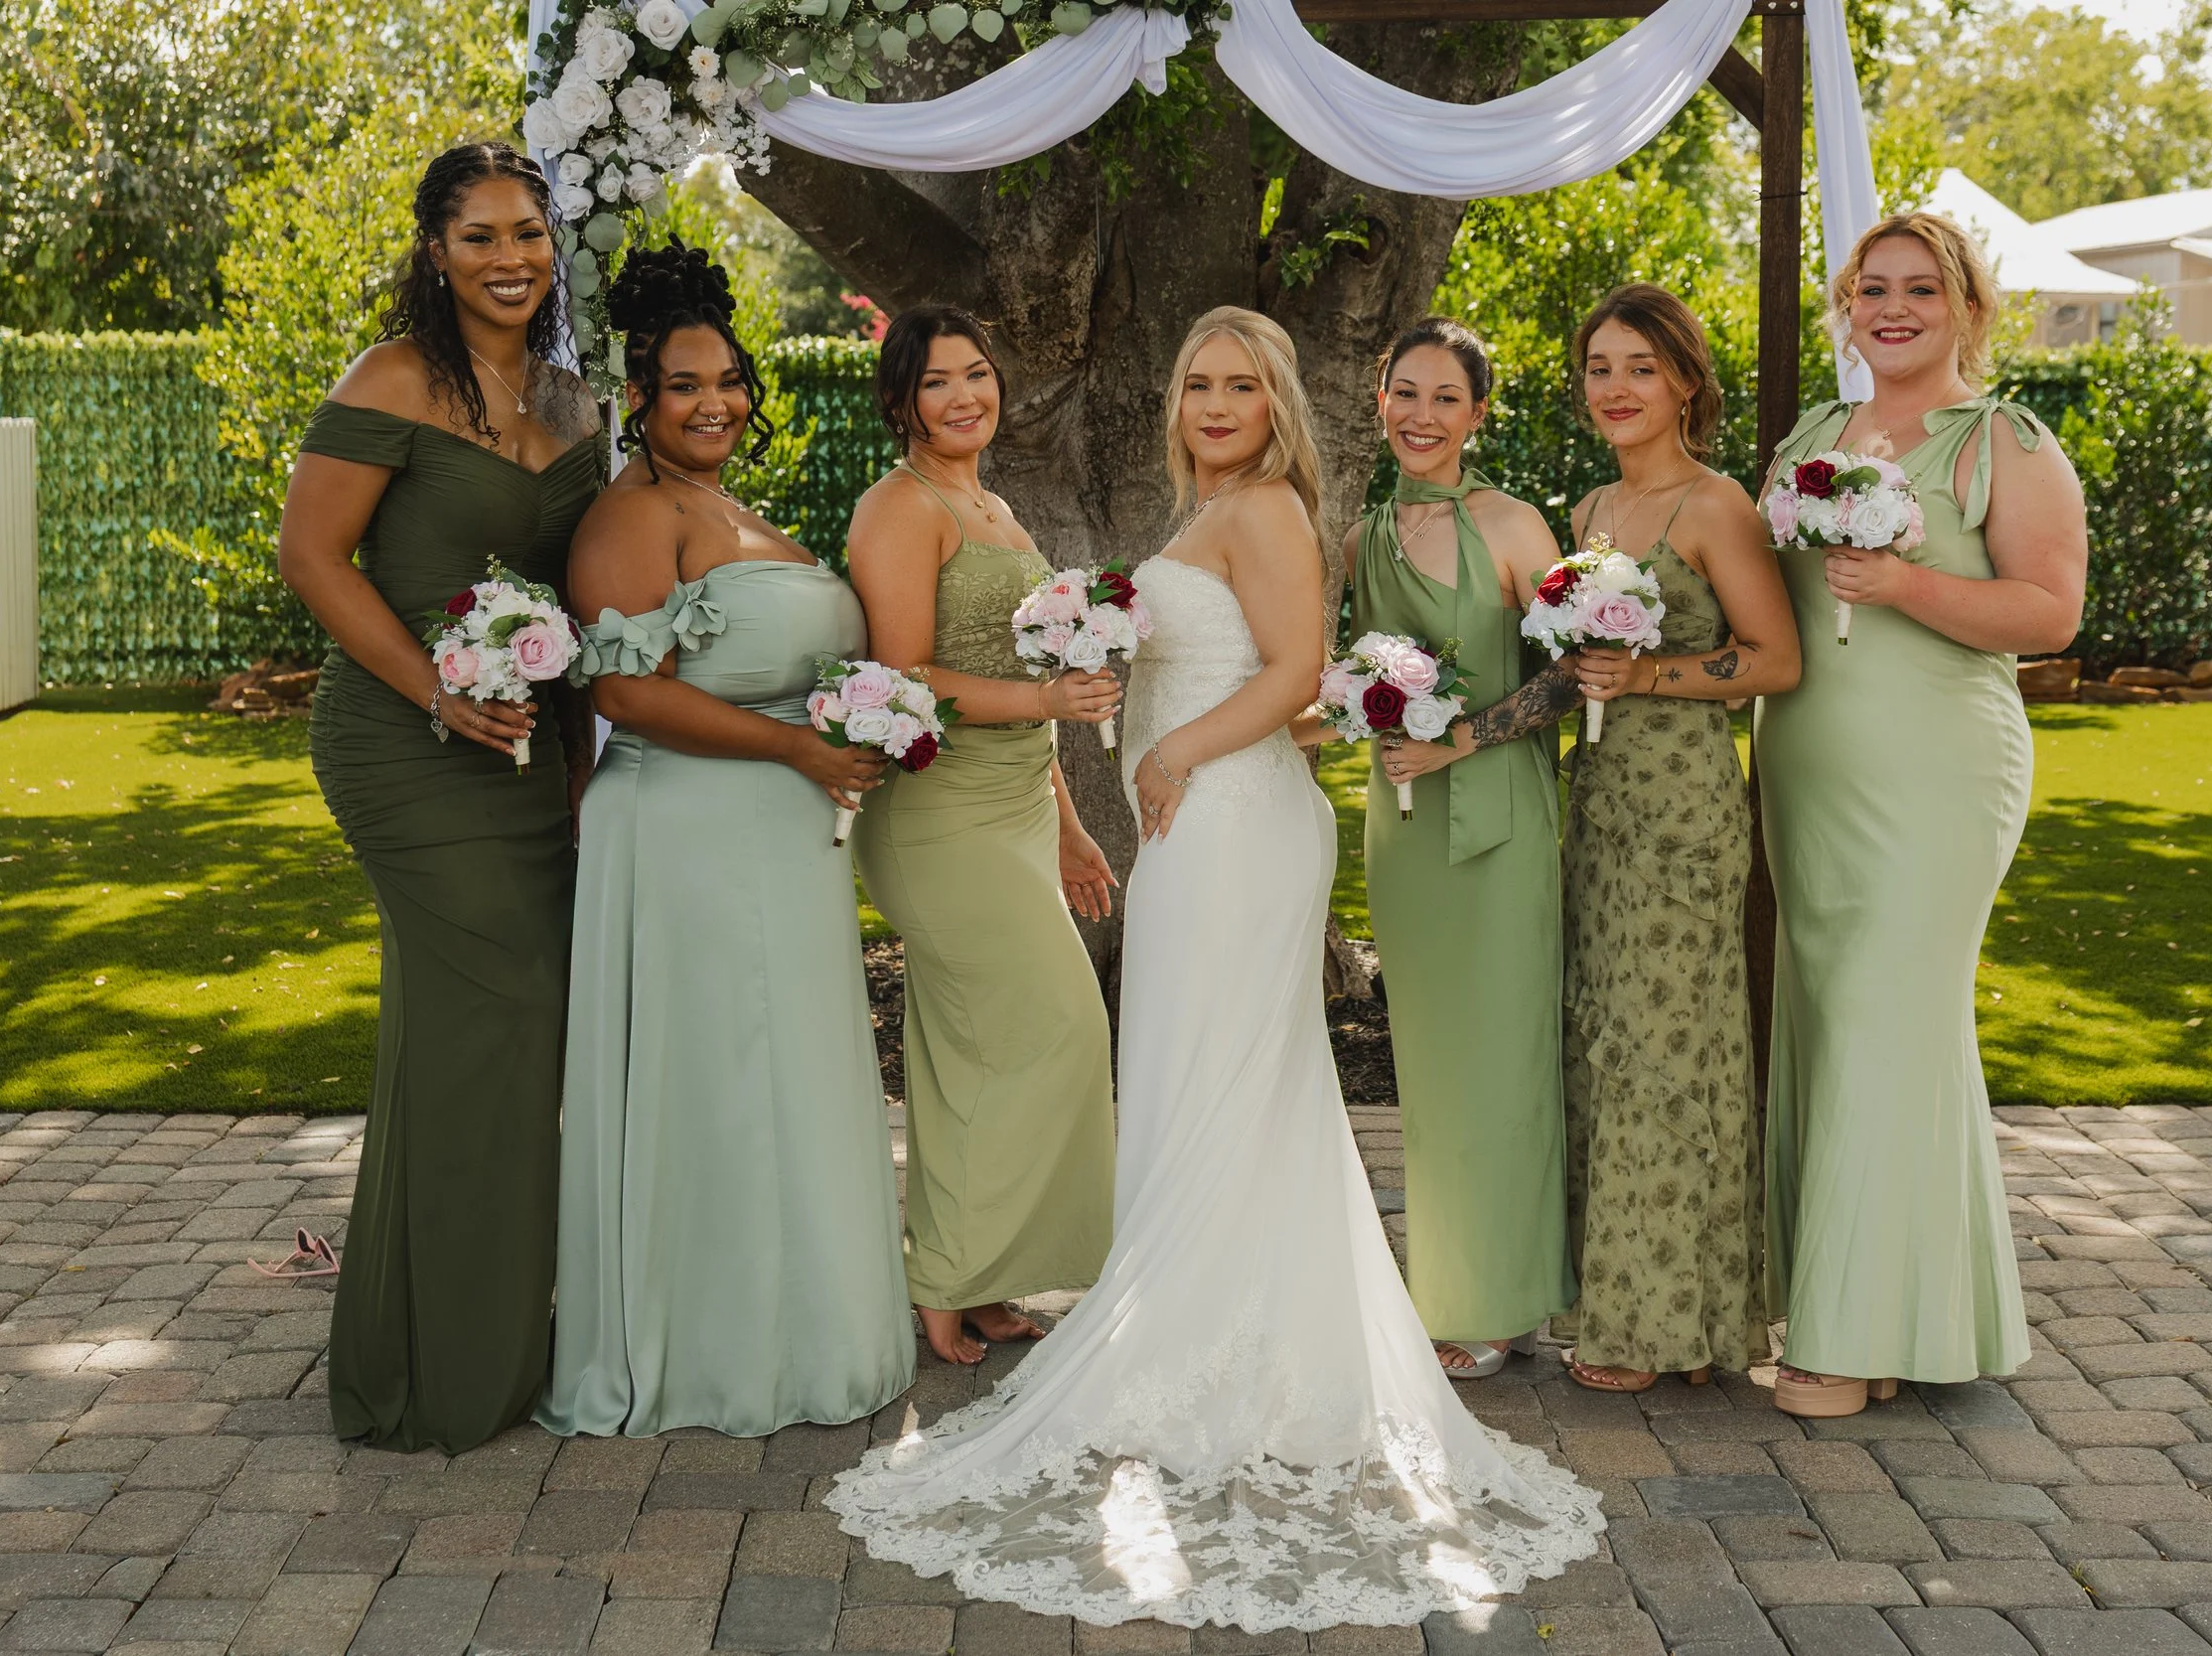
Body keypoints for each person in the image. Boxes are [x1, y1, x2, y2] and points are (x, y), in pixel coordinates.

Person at [823, 307, 1604, 1633]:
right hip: (1192, 827)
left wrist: (1176, 752)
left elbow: (1296, 668)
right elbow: (1273, 676)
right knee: (1188, 1072)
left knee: (1232, 1072)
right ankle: (1188, 1322)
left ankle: (1229, 1343)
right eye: (1198, 380)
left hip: (1232, 822)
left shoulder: (1270, 511)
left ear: (1277, 401)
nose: (1217, 400)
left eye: (1243, 383)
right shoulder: (1207, 514)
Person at [534, 241, 913, 1438]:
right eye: (686, 385)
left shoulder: (728, 506)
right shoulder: (629, 515)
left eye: (730, 381)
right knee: (717, 1081)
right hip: (687, 830)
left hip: (781, 841)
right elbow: (625, 695)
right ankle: (712, 1345)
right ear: (638, 400)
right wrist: (801, 747)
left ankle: (807, 1326)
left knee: (786, 1076)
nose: (717, 403)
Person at [276, 142, 600, 1452]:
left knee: (498, 1031)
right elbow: (312, 552)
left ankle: (452, 1332)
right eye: (480, 236)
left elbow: (581, 588)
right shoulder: (393, 378)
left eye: (528, 232)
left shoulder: (577, 406)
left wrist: (588, 760)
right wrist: (435, 691)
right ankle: (452, 1366)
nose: (510, 256)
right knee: (502, 1011)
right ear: (435, 251)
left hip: (533, 754)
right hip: (404, 746)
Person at [1759, 214, 2087, 1418]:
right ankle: (1893, 1309)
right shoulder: (1814, 433)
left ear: (1965, 307)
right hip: (1808, 772)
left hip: (1939, 771)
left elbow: (2050, 613)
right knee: (1839, 1023)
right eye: (1871, 290)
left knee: (1889, 1021)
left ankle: (1847, 1336)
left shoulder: (2006, 439)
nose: (1891, 309)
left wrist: (1902, 582)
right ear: (1847, 304)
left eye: (1919, 290)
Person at [842, 306, 1119, 1368]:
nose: (964, 395)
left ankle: (981, 1276)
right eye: (936, 381)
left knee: (975, 1052)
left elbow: (1023, 683)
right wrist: (1048, 703)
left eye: (977, 374)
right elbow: (904, 676)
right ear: (900, 400)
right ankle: (947, 1273)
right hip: (939, 818)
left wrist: (1067, 823)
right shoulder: (901, 508)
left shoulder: (993, 504)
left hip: (1014, 808)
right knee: (1056, 1029)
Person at [1550, 285, 1800, 1394]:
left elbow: (1777, 657)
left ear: (1686, 382)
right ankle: (1644, 1305)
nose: (1615, 387)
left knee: (1667, 1048)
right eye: (1600, 367)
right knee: (1605, 1042)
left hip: (1687, 812)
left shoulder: (1714, 507)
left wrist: (1650, 674)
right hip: (1599, 801)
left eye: (1639, 368)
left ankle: (1664, 1324)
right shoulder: (1593, 510)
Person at [1333, 317, 1572, 1379]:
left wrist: (1464, 737)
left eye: (1444, 397)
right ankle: (1450, 1284)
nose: (1421, 415)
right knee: (1428, 1065)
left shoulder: (1514, 524)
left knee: (1505, 1051)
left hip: (1502, 815)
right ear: (1378, 399)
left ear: (1477, 414)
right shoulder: (1358, 536)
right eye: (1404, 392)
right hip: (1406, 829)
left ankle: (1507, 1295)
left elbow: (1576, 672)